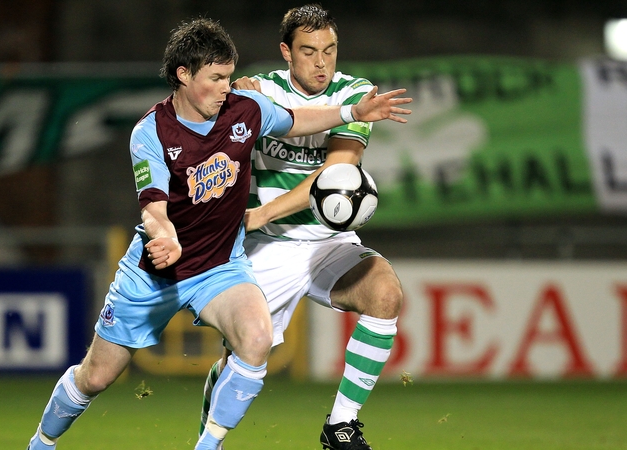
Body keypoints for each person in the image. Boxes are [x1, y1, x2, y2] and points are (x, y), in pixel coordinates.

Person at [26, 17, 410, 450]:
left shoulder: (244, 110)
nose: (227, 87)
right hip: (157, 271)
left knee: (257, 338)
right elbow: (152, 207)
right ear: (183, 76)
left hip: (222, 266)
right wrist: (166, 233)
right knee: (96, 376)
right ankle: (41, 442)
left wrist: (352, 113)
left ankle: (211, 446)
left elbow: (298, 120)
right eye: (216, 78)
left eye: (229, 77)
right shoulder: (150, 131)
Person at [198, 6, 405, 450]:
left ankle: (341, 426)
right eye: (308, 51)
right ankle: (207, 440)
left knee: (385, 295)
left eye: (329, 50)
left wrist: (263, 212)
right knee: (242, 357)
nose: (321, 62)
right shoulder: (258, 91)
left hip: (328, 244)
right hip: (265, 248)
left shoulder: (356, 94)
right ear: (285, 53)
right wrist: (232, 103)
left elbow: (335, 176)